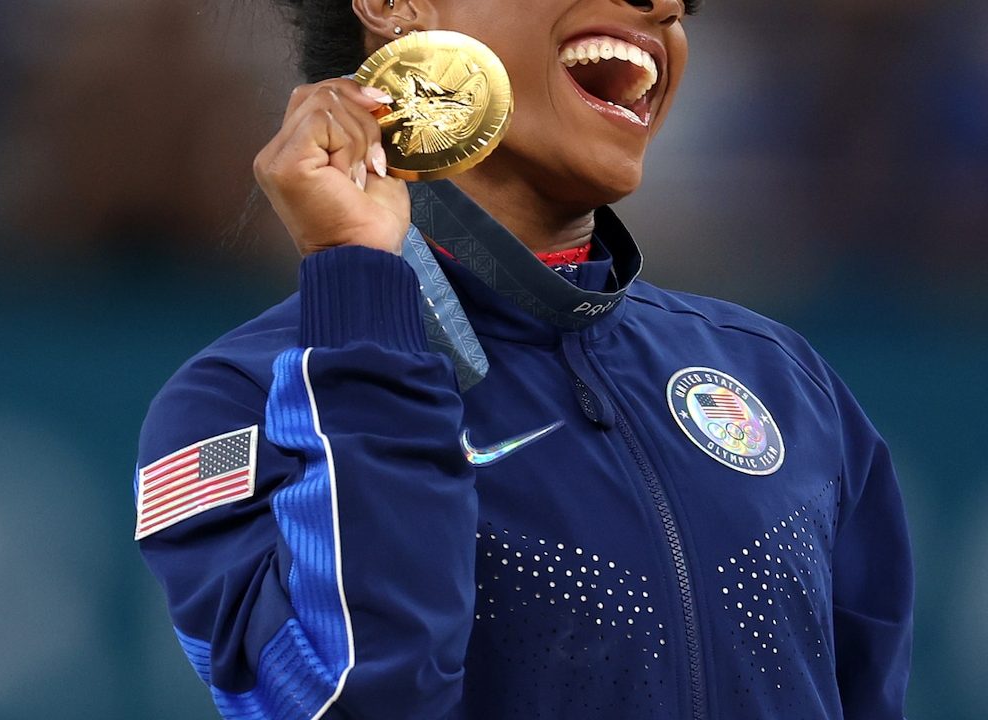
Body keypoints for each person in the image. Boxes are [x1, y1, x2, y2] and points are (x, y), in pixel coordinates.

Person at [135, 1, 914, 718]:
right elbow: (357, 699)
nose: (666, 6)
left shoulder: (781, 378)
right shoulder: (243, 402)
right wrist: (360, 288)